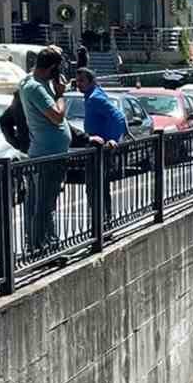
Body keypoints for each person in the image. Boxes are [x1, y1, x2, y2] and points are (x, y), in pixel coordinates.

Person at [20, 46, 71, 254]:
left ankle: (40, 243)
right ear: (51, 68)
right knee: (45, 203)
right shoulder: (36, 88)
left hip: (48, 152)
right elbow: (57, 116)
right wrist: (60, 95)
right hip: (47, 154)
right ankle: (44, 245)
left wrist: (52, 51)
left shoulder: (31, 81)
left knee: (40, 201)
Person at [79, 67, 126, 231]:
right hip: (95, 149)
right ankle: (102, 224)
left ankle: (101, 226)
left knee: (96, 188)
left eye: (82, 81)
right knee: (98, 188)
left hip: (100, 150)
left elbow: (118, 116)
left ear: (91, 82)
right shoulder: (92, 95)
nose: (78, 84)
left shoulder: (95, 98)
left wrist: (112, 138)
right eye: (77, 81)